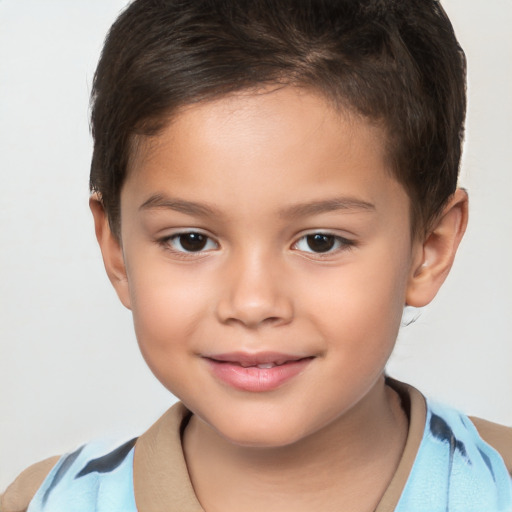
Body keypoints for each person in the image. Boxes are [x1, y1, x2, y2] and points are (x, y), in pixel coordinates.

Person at [2, 0, 511, 511]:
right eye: (191, 240)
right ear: (116, 248)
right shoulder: (46, 502)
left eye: (321, 241)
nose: (252, 303)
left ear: (429, 249)